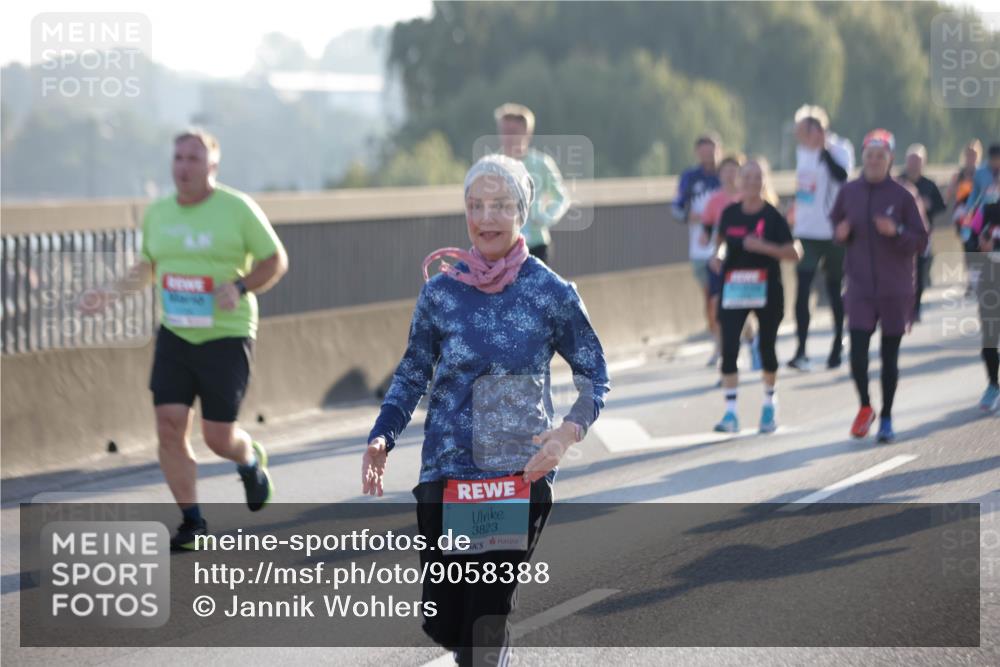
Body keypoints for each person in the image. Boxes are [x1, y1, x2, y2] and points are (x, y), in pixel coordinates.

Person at [361, 154, 609, 667]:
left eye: (500, 205)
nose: (487, 218)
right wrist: (383, 435)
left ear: (523, 211)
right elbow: (412, 373)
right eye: (476, 205)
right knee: (446, 620)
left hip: (516, 476)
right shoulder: (441, 293)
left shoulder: (550, 293)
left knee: (485, 619)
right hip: (447, 477)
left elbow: (593, 374)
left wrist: (566, 433)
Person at [80, 129, 288, 549]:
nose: (184, 167)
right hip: (175, 333)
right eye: (178, 158)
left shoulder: (237, 208)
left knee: (217, 436)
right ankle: (192, 521)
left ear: (212, 166)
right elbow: (148, 266)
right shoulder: (158, 213)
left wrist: (241, 287)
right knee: (169, 426)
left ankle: (248, 460)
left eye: (194, 159)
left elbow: (276, 260)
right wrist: (111, 292)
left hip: (226, 336)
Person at [832, 129, 929, 443]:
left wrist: (896, 229)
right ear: (863, 158)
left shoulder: (904, 195)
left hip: (895, 288)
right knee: (857, 355)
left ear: (890, 160)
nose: (874, 161)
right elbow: (835, 225)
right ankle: (865, 407)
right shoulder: (849, 192)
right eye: (869, 156)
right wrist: (841, 232)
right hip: (859, 287)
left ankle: (886, 416)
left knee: (890, 358)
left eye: (880, 156)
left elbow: (921, 239)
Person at [709, 158, 801, 434]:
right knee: (729, 349)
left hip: (767, 289)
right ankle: (730, 413)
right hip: (735, 287)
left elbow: (794, 253)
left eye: (757, 177)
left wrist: (764, 247)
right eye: (746, 176)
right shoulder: (730, 214)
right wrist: (717, 257)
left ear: (764, 181)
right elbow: (722, 245)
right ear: (739, 180)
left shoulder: (773, 216)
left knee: (766, 348)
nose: (751, 182)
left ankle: (769, 403)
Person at [786, 105, 854, 371]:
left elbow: (843, 177)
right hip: (805, 232)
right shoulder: (801, 152)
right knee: (802, 289)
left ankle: (838, 342)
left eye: (804, 132)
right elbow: (805, 189)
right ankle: (801, 349)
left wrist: (824, 150)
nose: (801, 137)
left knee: (834, 290)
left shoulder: (840, 148)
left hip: (833, 231)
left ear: (819, 130)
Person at [701, 154, 759, 369]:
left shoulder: (748, 197)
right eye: (726, 170)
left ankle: (752, 340)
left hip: (743, 260)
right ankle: (725, 354)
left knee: (742, 307)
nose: (730, 174)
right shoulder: (715, 199)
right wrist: (706, 237)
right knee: (717, 306)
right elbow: (708, 225)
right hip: (719, 259)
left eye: (734, 170)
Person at [494, 103, 570, 264]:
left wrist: (544, 217)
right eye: (504, 132)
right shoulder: (492, 165)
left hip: (536, 244)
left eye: (513, 132)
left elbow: (561, 197)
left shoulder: (541, 164)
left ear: (526, 133)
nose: (507, 138)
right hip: (502, 246)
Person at [673, 133, 722, 356]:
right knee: (709, 298)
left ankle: (729, 341)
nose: (707, 155)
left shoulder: (726, 175)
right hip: (699, 247)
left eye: (711, 150)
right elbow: (676, 207)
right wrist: (687, 216)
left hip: (724, 246)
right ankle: (717, 338)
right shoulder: (690, 177)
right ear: (697, 152)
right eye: (703, 150)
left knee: (720, 296)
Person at [898, 143, 946, 321]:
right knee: (901, 272)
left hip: (923, 235)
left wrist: (929, 205)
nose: (914, 165)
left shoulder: (929, 185)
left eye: (917, 161)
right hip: (900, 235)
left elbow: (941, 207)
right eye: (911, 161)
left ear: (923, 163)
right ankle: (901, 308)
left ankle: (916, 309)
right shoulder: (898, 181)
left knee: (919, 271)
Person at [975, 200, 1000, 412]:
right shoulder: (988, 209)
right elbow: (973, 238)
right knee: (989, 340)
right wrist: (982, 246)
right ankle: (993, 384)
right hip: (991, 282)